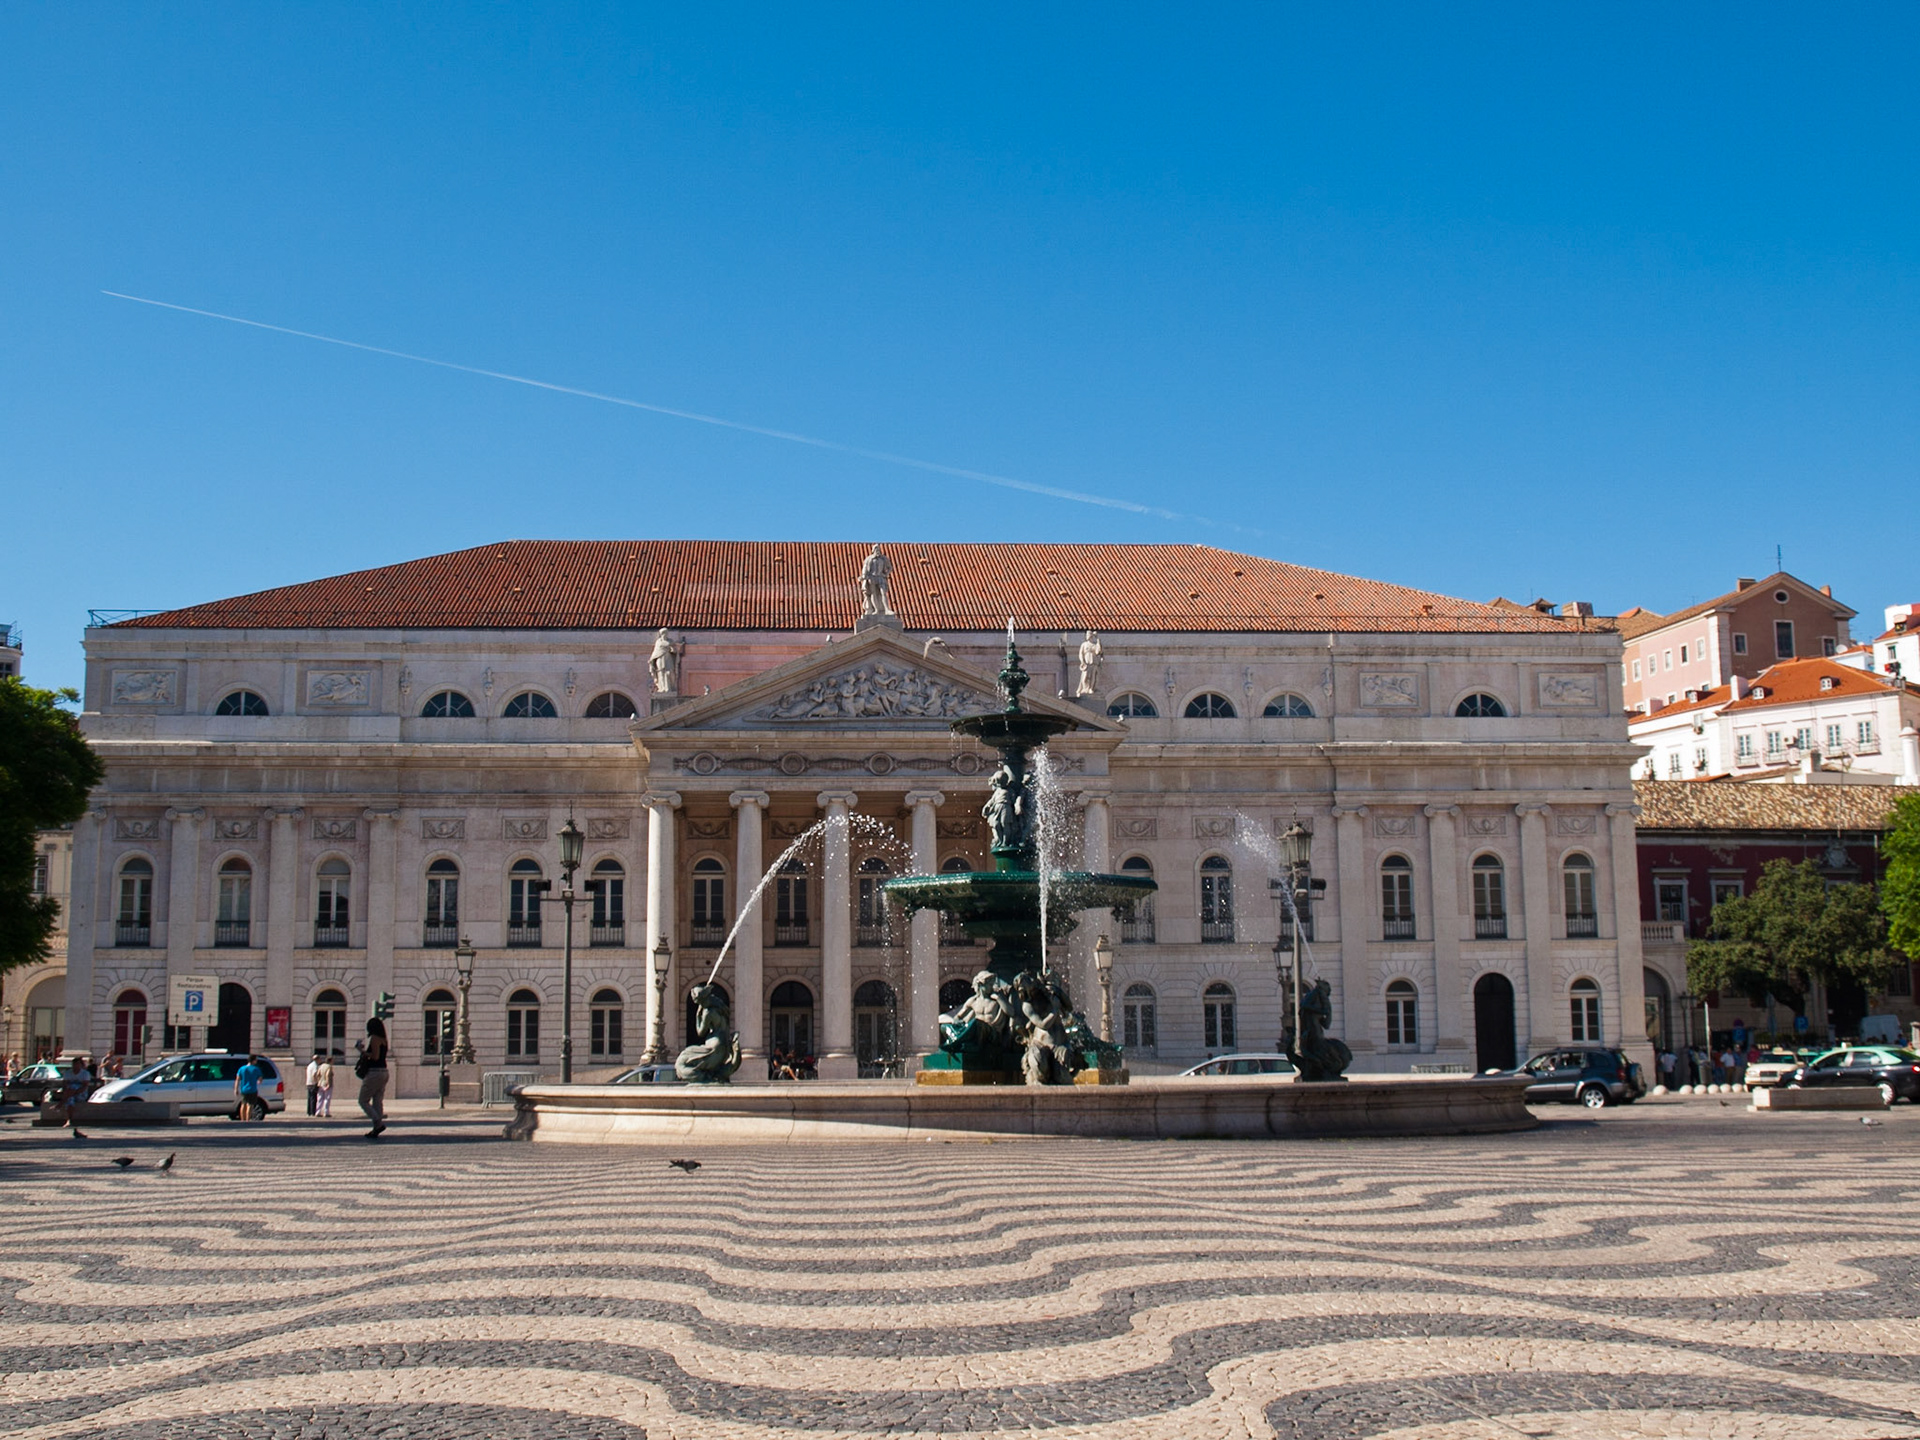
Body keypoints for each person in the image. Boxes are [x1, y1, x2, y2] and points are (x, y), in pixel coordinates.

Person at [356, 1018, 390, 1138]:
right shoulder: (384, 1040)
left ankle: (378, 1123)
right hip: (384, 1071)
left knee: (363, 1100)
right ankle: (376, 1128)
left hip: (374, 1072)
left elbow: (374, 1056)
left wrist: (361, 1051)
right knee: (377, 1100)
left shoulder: (375, 1039)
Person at [61, 1057, 92, 1139]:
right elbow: (64, 1085)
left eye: (77, 1064)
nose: (75, 1066)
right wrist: (69, 1093)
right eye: (74, 1064)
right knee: (70, 1099)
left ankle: (60, 1104)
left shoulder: (85, 1074)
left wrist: (72, 1092)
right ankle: (69, 1120)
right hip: (69, 1095)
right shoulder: (68, 1073)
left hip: (81, 1094)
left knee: (74, 1087)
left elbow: (84, 1087)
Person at [234, 1054, 266, 1121]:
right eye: (256, 1060)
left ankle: (242, 1119)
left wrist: (236, 1089)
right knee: (250, 1105)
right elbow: (260, 1078)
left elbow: (237, 1079)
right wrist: (259, 1081)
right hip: (252, 1089)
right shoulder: (256, 1069)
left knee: (243, 1104)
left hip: (244, 1089)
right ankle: (248, 1120)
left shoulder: (242, 1069)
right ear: (253, 1061)